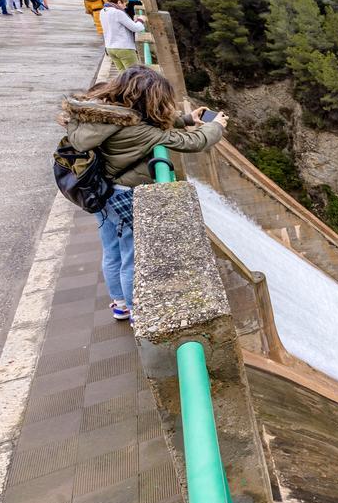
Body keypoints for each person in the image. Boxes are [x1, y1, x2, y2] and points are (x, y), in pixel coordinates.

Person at [58, 67, 226, 321]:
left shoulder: (106, 113)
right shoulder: (137, 130)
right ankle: (138, 314)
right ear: (149, 100)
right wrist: (216, 127)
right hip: (124, 195)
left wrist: (187, 119)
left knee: (111, 249)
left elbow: (147, 124)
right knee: (131, 256)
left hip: (100, 190)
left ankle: (119, 304)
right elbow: (192, 142)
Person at [100, 0, 144, 69]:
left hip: (110, 47)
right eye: (125, 4)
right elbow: (136, 28)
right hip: (124, 48)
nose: (125, 7)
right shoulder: (118, 12)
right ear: (119, 2)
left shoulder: (103, 11)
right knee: (134, 73)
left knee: (122, 74)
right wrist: (140, 20)